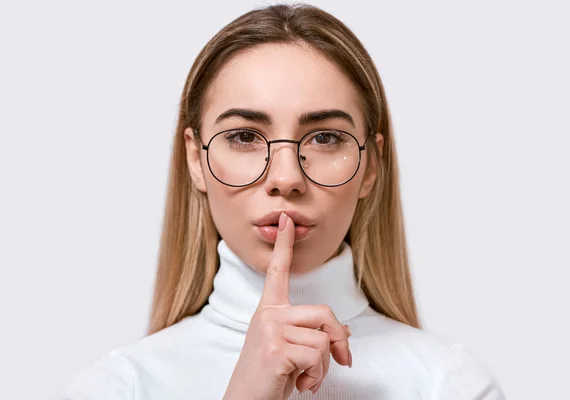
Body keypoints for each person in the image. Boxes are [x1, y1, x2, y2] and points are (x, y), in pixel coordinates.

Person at [57, 3, 505, 399]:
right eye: (245, 137)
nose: (287, 178)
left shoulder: (447, 383)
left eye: (326, 137)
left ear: (371, 167)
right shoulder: (117, 388)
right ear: (196, 158)